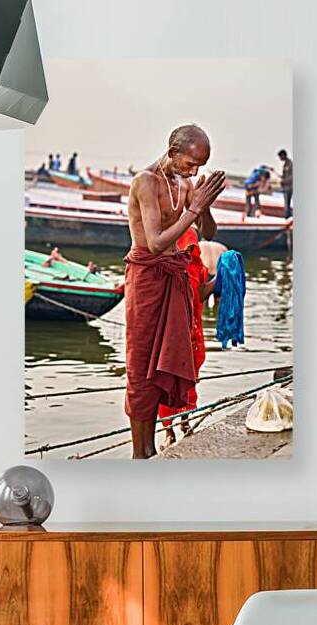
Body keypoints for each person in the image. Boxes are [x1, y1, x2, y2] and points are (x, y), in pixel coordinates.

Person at [125, 123, 227, 459]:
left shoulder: (184, 184)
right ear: (172, 153)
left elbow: (207, 232)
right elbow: (154, 243)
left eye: (199, 167)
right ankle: (141, 453)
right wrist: (193, 208)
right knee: (141, 368)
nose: (193, 171)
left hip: (174, 281)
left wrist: (205, 204)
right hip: (146, 280)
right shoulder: (146, 182)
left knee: (163, 366)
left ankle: (153, 451)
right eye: (189, 164)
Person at [158, 227, 217, 448]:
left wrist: (222, 276)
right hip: (173, 333)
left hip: (189, 333)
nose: (191, 252)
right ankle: (170, 430)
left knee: (187, 379)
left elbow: (200, 293)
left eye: (193, 249)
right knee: (170, 380)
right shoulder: (168, 265)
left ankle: (182, 423)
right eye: (189, 248)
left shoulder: (196, 267)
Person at [276, 149, 293, 218]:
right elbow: (284, 176)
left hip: (289, 187)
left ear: (283, 155)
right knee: (286, 204)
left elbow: (292, 176)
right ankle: (288, 216)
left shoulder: (290, 164)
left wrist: (284, 181)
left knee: (287, 205)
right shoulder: (285, 164)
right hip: (285, 187)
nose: (280, 159)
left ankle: (287, 217)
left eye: (280, 157)